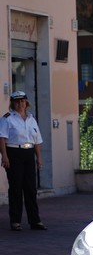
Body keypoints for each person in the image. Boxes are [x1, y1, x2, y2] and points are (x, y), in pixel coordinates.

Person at [0, 91, 47, 231]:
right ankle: (15, 221)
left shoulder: (32, 119)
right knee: (16, 188)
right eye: (17, 101)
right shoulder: (7, 119)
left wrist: (39, 158)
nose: (20, 104)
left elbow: (37, 141)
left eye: (23, 101)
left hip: (29, 153)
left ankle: (35, 221)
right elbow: (2, 138)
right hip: (14, 152)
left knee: (31, 189)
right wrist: (5, 156)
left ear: (27, 103)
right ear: (13, 103)